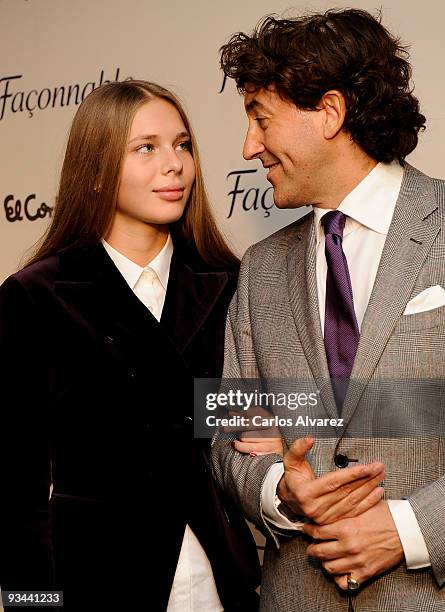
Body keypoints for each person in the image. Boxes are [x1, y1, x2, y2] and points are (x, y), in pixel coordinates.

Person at [211, 8, 445, 611]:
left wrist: (412, 529)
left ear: (331, 113)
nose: (248, 146)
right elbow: (225, 435)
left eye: (260, 120)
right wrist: (278, 492)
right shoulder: (261, 269)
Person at [0, 80, 263, 612]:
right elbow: (13, 490)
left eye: (183, 145)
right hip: (93, 583)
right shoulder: (36, 297)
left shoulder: (231, 284)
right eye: (145, 147)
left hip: (222, 579)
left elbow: (254, 424)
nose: (174, 165)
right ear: (96, 170)